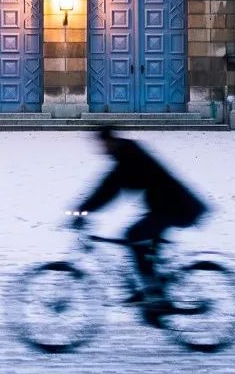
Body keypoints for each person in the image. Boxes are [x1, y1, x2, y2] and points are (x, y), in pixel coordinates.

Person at [71, 127, 208, 304]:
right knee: (141, 242)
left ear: (109, 141)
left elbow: (109, 188)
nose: (100, 149)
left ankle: (152, 292)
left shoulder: (128, 156)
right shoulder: (126, 154)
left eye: (101, 144)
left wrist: (82, 211)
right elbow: (109, 187)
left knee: (134, 235)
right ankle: (153, 294)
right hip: (166, 207)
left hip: (175, 208)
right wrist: (83, 210)